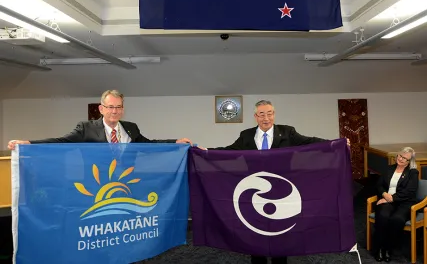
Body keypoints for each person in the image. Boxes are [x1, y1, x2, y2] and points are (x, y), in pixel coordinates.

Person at [208, 100, 348, 264]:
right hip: (254, 189)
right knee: (256, 229)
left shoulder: (287, 132)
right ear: (255, 116)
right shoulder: (246, 135)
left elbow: (310, 141)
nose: (266, 118)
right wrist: (205, 151)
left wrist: (336, 143)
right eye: (261, 114)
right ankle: (258, 259)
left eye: (269, 113)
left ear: (274, 114)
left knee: (280, 230)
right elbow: (228, 151)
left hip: (282, 190)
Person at [8, 89, 192, 149]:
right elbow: (61, 142)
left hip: (128, 179)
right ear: (101, 109)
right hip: (96, 183)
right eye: (111, 107)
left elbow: (148, 144)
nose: (115, 111)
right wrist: (27, 143)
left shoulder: (131, 128)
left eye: (118, 107)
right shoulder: (86, 128)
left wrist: (175, 142)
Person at [373, 147, 418, 262]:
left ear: (409, 162)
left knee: (397, 219)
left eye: (405, 158)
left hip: (404, 202)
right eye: (400, 156)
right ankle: (379, 248)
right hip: (387, 199)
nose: (401, 159)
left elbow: (409, 191)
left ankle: (388, 249)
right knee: (383, 215)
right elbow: (379, 185)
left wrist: (391, 198)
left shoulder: (413, 172)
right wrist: (384, 193)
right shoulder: (388, 169)